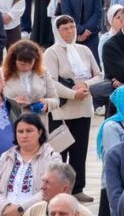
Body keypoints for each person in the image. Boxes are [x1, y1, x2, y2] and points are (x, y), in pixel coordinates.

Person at [43, 15, 100, 201]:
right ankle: (56, 190)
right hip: (62, 111)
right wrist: (72, 93)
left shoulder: (84, 50)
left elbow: (99, 75)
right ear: (57, 31)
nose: (69, 31)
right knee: (59, 153)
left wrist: (85, 85)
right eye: (65, 29)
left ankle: (77, 188)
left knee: (79, 152)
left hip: (83, 108)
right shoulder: (51, 53)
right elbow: (51, 81)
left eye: (72, 27)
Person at [0, 113, 63, 216]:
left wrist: (21, 209)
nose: (24, 135)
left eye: (29, 131)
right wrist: (5, 207)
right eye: (20, 131)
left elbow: (52, 189)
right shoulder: (6, 157)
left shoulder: (52, 157)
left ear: (40, 132)